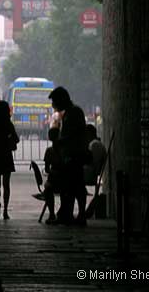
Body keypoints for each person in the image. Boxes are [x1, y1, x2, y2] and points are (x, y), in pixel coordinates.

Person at [48, 86, 88, 225]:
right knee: (71, 187)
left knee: (76, 187)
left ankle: (79, 215)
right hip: (70, 156)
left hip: (74, 156)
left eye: (54, 101)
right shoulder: (69, 113)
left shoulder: (74, 113)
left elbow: (72, 136)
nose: (53, 105)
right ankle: (67, 215)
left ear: (61, 100)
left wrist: (59, 141)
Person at [43, 125, 62, 223]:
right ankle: (55, 213)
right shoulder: (63, 150)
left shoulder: (49, 150)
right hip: (59, 179)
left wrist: (53, 172)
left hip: (55, 179)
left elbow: (47, 169)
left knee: (48, 189)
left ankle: (52, 214)